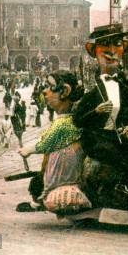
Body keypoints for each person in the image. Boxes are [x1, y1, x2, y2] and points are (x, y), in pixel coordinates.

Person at [74, 23, 128, 182]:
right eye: (105, 45)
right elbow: (77, 120)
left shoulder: (123, 89)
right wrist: (96, 111)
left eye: (117, 44)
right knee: (112, 155)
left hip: (118, 136)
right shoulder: (92, 90)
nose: (112, 50)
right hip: (98, 139)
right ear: (94, 51)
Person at [18, 70, 91, 214]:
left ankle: (44, 200)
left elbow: (47, 142)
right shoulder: (69, 119)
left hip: (64, 171)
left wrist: (28, 150)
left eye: (49, 86)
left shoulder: (64, 122)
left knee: (47, 180)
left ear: (64, 91)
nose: (45, 91)